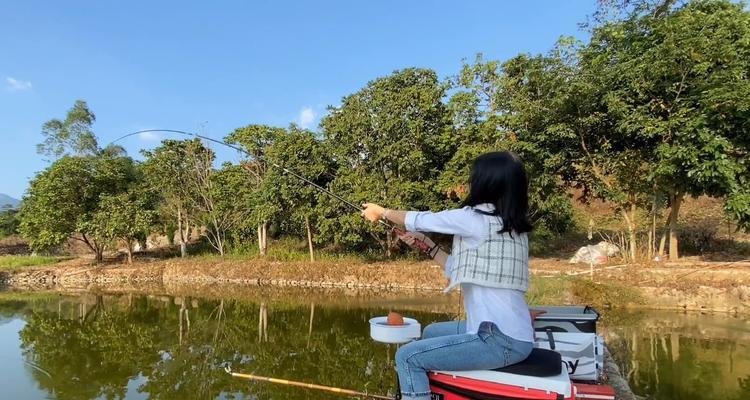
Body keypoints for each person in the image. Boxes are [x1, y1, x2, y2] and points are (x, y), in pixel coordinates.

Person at [361, 151, 534, 400]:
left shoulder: (474, 218)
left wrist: (382, 212)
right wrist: (428, 247)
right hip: (513, 335)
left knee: (407, 356)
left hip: (498, 340)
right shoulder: (511, 227)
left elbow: (420, 219)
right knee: (432, 332)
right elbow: (460, 268)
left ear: (486, 182)